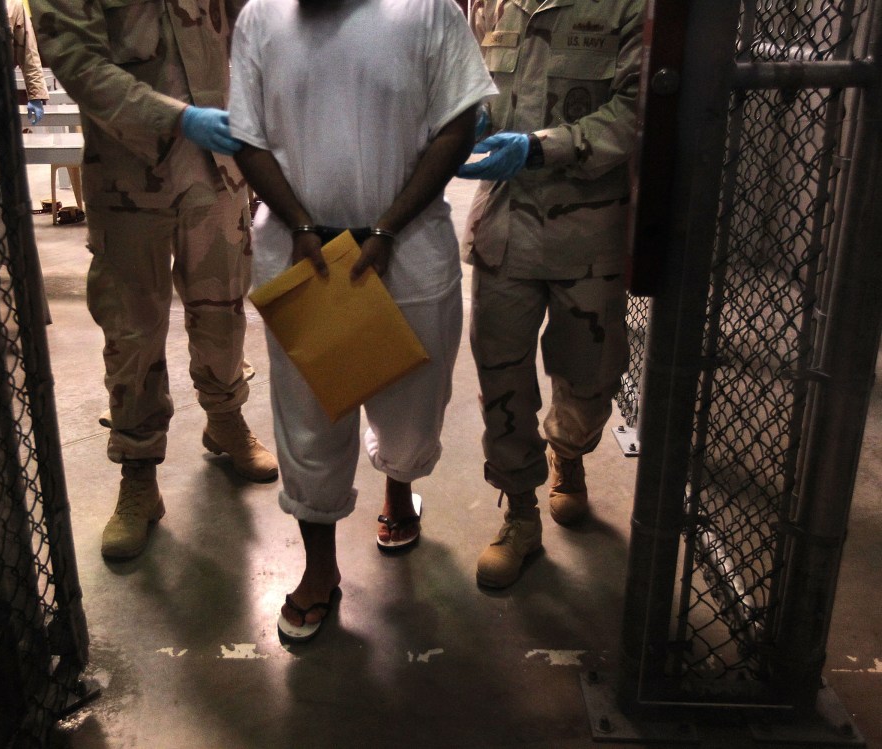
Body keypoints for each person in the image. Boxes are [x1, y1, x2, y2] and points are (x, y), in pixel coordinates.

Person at [229, 0, 496, 642]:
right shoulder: (261, 17)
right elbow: (248, 138)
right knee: (308, 419)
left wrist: (386, 228)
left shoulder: (427, 10)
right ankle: (320, 569)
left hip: (407, 251)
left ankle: (398, 487)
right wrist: (299, 223)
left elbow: (457, 124)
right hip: (304, 258)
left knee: (412, 408)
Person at [31, 0, 277, 560]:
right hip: (128, 173)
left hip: (217, 169)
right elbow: (76, 59)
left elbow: (253, 22)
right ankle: (138, 472)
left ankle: (225, 418)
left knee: (223, 309)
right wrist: (177, 117)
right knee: (132, 331)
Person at [457, 0, 644, 588]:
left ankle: (569, 451)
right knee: (501, 379)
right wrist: (474, 115)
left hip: (587, 233)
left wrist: (543, 147)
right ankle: (519, 513)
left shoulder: (629, 7)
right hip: (506, 226)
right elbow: (474, 81)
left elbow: (637, 109)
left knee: (589, 376)